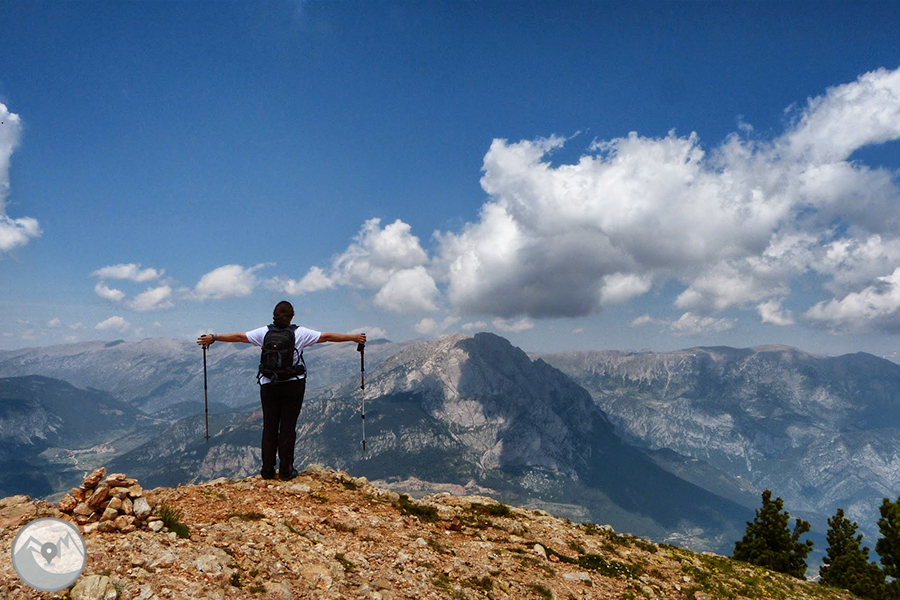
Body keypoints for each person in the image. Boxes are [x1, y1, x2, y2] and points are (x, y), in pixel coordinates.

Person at [197, 300, 365, 480]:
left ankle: (267, 470)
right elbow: (327, 337)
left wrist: (214, 337)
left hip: (269, 384)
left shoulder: (264, 333)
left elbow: (239, 337)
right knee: (288, 428)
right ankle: (286, 470)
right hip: (293, 385)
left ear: (274, 316)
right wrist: (353, 338)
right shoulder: (300, 333)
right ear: (292, 316)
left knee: (269, 427)